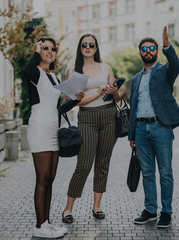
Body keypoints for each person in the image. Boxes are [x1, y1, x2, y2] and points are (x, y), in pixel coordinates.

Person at [23, 37, 84, 238]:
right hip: (39, 128)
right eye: (44, 48)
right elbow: (26, 71)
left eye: (52, 48)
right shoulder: (35, 73)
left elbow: (57, 108)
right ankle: (39, 226)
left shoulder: (55, 78)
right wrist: (35, 51)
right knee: (42, 179)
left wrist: (75, 100)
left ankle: (47, 223)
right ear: (39, 50)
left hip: (53, 129)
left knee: (50, 179)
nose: (49, 51)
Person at [128, 26, 179, 228]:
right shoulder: (135, 79)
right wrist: (131, 135)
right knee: (148, 173)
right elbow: (133, 107)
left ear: (156, 50)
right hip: (141, 130)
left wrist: (168, 45)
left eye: (152, 47)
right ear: (140, 52)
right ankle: (150, 210)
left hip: (161, 127)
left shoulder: (164, 71)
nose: (148, 51)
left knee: (165, 172)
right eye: (144, 48)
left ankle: (166, 212)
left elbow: (176, 65)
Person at [61, 34, 121, 224]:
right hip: (87, 118)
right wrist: (98, 92)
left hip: (109, 116)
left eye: (91, 45)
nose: (88, 47)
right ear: (80, 48)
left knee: (103, 163)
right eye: (84, 44)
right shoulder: (73, 71)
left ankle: (97, 206)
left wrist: (114, 92)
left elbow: (117, 99)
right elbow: (75, 102)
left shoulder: (106, 68)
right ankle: (68, 208)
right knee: (84, 165)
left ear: (96, 48)